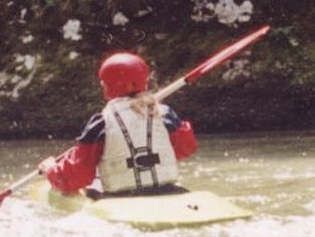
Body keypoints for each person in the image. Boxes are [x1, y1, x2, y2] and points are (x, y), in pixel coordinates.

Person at [40, 51, 198, 197]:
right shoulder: (164, 114)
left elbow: (78, 175)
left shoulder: (100, 123)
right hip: (169, 191)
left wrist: (51, 169)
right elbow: (187, 148)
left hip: (121, 198)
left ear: (107, 87)